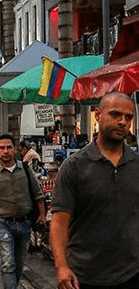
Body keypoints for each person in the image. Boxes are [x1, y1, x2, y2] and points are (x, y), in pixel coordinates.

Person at [50, 92, 139, 289]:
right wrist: (61, 267)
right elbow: (59, 222)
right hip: (84, 276)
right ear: (97, 115)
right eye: (115, 115)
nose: (123, 122)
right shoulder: (74, 167)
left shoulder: (136, 165)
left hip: (131, 275)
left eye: (128, 117)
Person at [0, 134, 46, 289]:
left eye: (9, 147)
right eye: (2, 147)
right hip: (2, 224)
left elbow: (38, 194)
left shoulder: (25, 170)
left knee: (19, 263)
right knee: (8, 263)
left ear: (15, 150)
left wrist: (42, 214)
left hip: (24, 224)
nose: (6, 151)